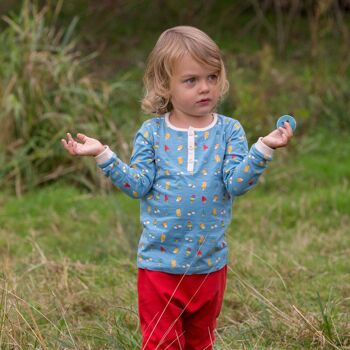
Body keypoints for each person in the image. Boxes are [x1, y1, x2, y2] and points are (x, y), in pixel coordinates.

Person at [61, 26, 293, 350]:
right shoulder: (152, 133)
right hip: (158, 266)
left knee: (201, 342)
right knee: (161, 343)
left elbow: (236, 183)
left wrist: (263, 149)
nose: (205, 88)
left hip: (209, 265)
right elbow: (138, 186)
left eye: (212, 77)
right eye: (191, 80)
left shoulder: (229, 131)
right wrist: (104, 155)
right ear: (164, 85)